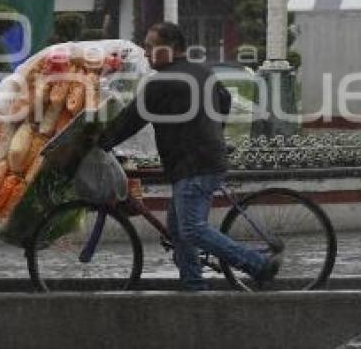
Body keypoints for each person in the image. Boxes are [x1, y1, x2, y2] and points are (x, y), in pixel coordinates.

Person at [97, 22, 280, 290]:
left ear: (169, 48)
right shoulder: (202, 71)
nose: (146, 53)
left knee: (192, 229)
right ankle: (193, 284)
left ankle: (257, 266)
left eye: (150, 46)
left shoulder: (162, 83)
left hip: (195, 165)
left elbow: (130, 120)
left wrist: (99, 143)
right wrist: (214, 133)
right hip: (202, 160)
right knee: (178, 229)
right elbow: (225, 100)